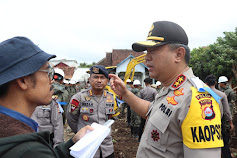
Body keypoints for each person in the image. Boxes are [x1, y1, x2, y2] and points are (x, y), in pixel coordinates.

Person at [109, 21, 223, 158]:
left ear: (179, 55)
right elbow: (151, 112)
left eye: (153, 51)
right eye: (147, 51)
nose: (146, 57)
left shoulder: (196, 100)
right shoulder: (169, 89)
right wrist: (125, 94)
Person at [0, 36, 93, 158]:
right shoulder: (29, 151)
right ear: (23, 81)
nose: (51, 81)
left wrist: (71, 144)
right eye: (48, 73)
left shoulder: (12, 136)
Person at [67, 65, 118, 158]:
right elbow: (71, 119)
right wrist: (83, 135)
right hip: (86, 147)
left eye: (102, 78)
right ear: (89, 79)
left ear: (107, 81)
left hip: (106, 148)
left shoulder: (112, 97)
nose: (99, 80)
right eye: (95, 77)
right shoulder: (79, 97)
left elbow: (113, 118)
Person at [205, 74, 234, 158]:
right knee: (223, 142)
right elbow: (227, 112)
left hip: (204, 122)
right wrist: (231, 123)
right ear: (215, 83)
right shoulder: (221, 94)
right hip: (218, 122)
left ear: (206, 83)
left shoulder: (200, 94)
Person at [138, 77, 158, 142]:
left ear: (145, 83)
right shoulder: (154, 91)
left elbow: (139, 100)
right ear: (151, 83)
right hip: (151, 108)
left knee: (142, 123)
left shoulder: (142, 91)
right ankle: (148, 139)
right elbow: (156, 100)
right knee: (150, 124)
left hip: (143, 108)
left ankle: (139, 138)